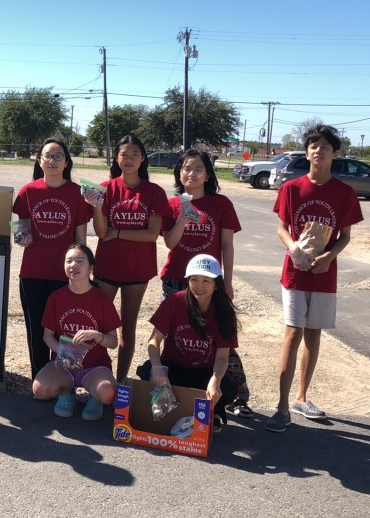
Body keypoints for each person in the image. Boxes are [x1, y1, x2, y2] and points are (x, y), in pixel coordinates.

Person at [265, 124, 364, 433]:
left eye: (325, 146)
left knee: (313, 335)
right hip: (294, 273)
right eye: (313, 145)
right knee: (292, 333)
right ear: (306, 151)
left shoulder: (345, 193)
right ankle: (281, 408)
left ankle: (302, 398)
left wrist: (328, 257)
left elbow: (345, 236)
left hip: (323, 273)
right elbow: (282, 227)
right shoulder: (291, 189)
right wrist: (293, 249)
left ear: (335, 153)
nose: (318, 150)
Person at [160, 149, 252, 418]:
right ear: (179, 172)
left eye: (198, 169)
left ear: (208, 174)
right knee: (177, 335)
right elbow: (169, 242)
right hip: (177, 280)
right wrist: (182, 217)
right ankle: (176, 391)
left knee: (222, 337)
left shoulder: (220, 203)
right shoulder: (173, 204)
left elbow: (227, 244)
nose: (192, 173)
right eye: (187, 168)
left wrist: (228, 282)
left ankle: (238, 394)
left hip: (212, 283)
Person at [85, 134, 170, 382]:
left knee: (127, 329)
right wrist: (98, 207)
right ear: (116, 157)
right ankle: (96, 377)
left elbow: (152, 234)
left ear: (143, 158)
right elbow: (101, 233)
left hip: (137, 270)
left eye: (135, 154)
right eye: (124, 154)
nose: (129, 159)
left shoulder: (153, 192)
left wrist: (118, 232)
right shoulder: (104, 188)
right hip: (106, 269)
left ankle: (120, 383)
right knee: (97, 326)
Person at [12, 138, 92, 379]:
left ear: (66, 162)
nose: (53, 161)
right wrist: (20, 237)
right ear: (39, 160)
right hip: (33, 273)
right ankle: (40, 377)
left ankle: (63, 379)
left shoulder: (77, 193)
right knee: (36, 330)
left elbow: (81, 238)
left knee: (63, 331)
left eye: (58, 156)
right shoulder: (28, 191)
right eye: (48, 156)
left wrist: (82, 270)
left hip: (64, 275)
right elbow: (19, 230)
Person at [137, 254, 239, 433]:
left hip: (203, 373)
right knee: (147, 371)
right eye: (194, 279)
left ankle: (211, 410)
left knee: (228, 387)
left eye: (206, 281)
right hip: (174, 368)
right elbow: (154, 340)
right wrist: (157, 366)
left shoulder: (224, 311)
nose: (199, 286)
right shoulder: (174, 301)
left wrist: (215, 380)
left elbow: (223, 356)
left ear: (217, 284)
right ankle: (177, 407)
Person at [32, 243, 121, 421]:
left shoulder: (102, 299)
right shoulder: (55, 298)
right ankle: (67, 392)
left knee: (107, 394)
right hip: (63, 365)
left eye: (80, 261)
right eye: (69, 261)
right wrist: (63, 353)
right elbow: (47, 336)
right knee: (39, 390)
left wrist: (98, 335)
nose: (73, 265)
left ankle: (94, 397)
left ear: (91, 269)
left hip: (95, 367)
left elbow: (113, 342)